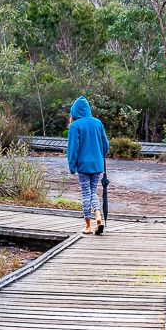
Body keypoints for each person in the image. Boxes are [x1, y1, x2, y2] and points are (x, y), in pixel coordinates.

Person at [67, 94, 110, 235]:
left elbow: (73, 149)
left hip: (83, 166)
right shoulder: (98, 123)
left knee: (86, 193)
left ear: (75, 112)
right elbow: (106, 145)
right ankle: (98, 215)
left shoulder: (75, 126)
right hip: (97, 166)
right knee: (93, 192)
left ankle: (88, 226)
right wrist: (99, 156)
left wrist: (72, 166)